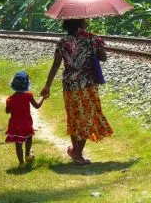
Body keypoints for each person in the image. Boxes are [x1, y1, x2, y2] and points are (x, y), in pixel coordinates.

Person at [41, 18, 113, 165]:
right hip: (88, 84)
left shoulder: (63, 42)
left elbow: (56, 65)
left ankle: (75, 151)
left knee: (74, 117)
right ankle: (78, 154)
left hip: (70, 85)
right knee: (86, 116)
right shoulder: (92, 38)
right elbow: (103, 58)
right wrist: (96, 44)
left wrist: (47, 85)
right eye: (85, 20)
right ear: (81, 23)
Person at [5, 71, 46, 168]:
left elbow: (7, 111)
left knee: (18, 144)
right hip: (26, 123)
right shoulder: (28, 96)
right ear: (27, 85)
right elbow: (37, 106)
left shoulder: (10, 99)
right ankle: (27, 155)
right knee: (28, 138)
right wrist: (43, 97)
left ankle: (21, 163)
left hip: (14, 124)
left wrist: (9, 106)